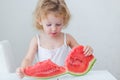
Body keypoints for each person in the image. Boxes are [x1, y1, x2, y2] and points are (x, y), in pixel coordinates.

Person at [16, 0, 94, 79]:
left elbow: (81, 54)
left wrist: (88, 50)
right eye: (49, 25)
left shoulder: (67, 38)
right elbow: (28, 58)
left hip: (65, 77)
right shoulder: (36, 40)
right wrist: (23, 70)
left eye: (58, 24)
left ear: (64, 21)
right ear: (39, 21)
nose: (53, 29)